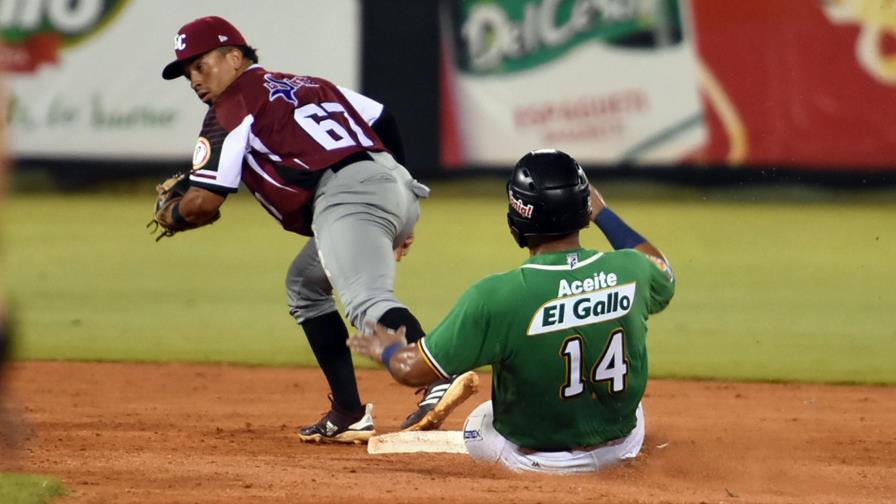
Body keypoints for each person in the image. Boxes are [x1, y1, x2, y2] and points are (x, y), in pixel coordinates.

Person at [157, 16, 474, 444]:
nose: (195, 79)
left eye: (201, 65)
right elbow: (384, 119)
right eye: (187, 73)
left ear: (234, 57)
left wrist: (171, 214)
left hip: (346, 197)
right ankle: (348, 412)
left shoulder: (230, 107)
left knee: (367, 304)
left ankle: (435, 377)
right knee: (305, 286)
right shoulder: (308, 83)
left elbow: (205, 204)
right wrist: (396, 200)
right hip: (391, 184)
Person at [349, 149, 675, 473]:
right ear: (583, 207)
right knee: (628, 406)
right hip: (623, 443)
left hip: (543, 463)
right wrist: (603, 212)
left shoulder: (497, 296)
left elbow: (413, 371)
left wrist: (388, 349)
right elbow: (662, 270)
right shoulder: (633, 269)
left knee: (479, 422)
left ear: (519, 216)